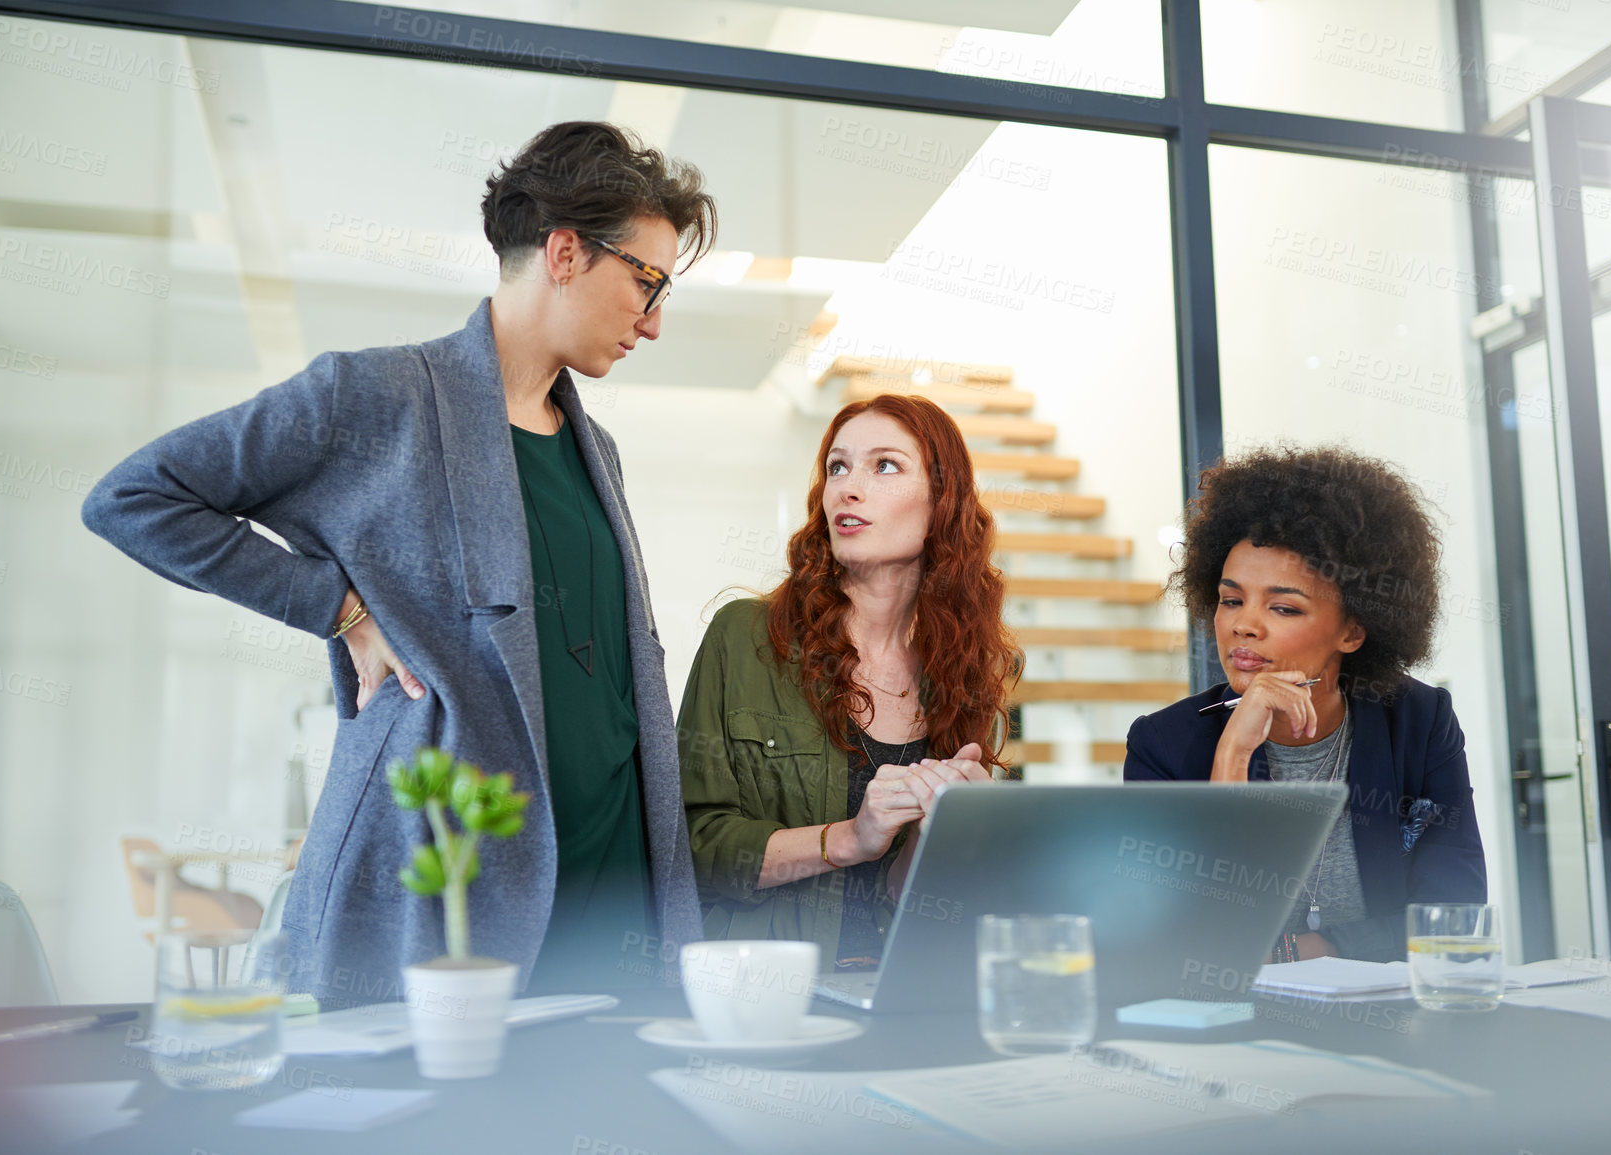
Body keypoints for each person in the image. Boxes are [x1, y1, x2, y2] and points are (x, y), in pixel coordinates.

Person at [81, 122, 716, 1003]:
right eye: (646, 281)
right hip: (456, 881)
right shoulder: (373, 399)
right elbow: (135, 498)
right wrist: (336, 606)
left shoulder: (595, 447)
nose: (651, 321)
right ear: (566, 252)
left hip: (614, 882)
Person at [677, 394, 1016, 969]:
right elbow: (691, 848)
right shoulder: (746, 636)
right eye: (838, 466)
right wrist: (851, 839)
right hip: (764, 985)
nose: (847, 488)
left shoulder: (961, 669)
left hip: (895, 985)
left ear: (942, 504)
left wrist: (947, 834)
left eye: (884, 465)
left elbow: (904, 894)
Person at [1124, 446, 1486, 963]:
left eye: (1283, 606)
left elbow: (1453, 915)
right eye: (1231, 600)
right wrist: (1232, 757)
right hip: (1234, 1023)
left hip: (1390, 1014)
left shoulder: (1419, 721)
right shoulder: (1164, 744)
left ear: (1354, 630)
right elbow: (1184, 940)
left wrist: (1300, 951)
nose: (1244, 625)